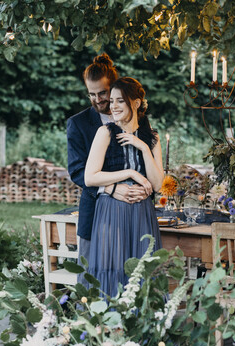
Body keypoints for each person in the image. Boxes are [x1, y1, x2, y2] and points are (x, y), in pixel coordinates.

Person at [67, 54, 149, 272]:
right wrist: (110, 188)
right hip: (95, 213)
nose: (98, 100)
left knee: (132, 277)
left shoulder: (138, 120)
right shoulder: (78, 124)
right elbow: (77, 171)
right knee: (94, 278)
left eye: (102, 93)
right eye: (91, 94)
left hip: (134, 215)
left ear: (114, 88)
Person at [84, 77, 165, 297]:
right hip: (111, 213)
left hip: (142, 215)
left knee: (142, 272)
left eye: (120, 101)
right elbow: (90, 177)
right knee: (113, 269)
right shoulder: (105, 133)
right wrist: (130, 173)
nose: (113, 106)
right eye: (112, 101)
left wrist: (144, 149)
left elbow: (157, 184)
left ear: (136, 103)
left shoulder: (153, 138)